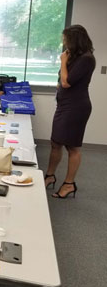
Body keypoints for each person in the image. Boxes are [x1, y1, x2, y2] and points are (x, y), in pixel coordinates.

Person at [45, 25, 96, 199]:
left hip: (76, 107)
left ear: (74, 40)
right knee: (55, 142)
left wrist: (63, 61)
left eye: (66, 39)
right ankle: (50, 176)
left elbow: (67, 82)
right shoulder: (73, 57)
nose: (64, 42)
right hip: (64, 105)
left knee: (72, 146)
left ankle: (69, 184)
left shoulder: (87, 59)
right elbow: (62, 80)